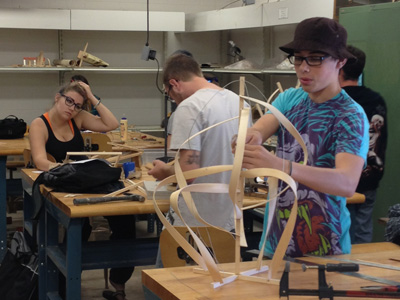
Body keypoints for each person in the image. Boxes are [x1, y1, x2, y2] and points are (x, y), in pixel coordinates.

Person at [238, 17, 369, 258]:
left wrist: (281, 166)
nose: (304, 68)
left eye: (316, 58)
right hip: (275, 242)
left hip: (326, 247)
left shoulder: (350, 116)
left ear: (340, 61)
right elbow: (261, 128)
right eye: (298, 58)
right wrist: (250, 138)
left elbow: (346, 183)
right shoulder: (290, 99)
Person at [29, 81, 133, 300]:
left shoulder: (77, 118)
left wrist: (92, 97)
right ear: (57, 97)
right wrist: (65, 167)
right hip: (63, 184)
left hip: (82, 180)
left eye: (77, 105)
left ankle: (118, 280)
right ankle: (66, 283)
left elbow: (111, 124)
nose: (72, 108)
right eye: (69, 101)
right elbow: (39, 160)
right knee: (80, 227)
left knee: (125, 220)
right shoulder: (40, 124)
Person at [148, 53, 251, 234]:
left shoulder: (190, 106)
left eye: (170, 94)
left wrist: (165, 172)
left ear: (174, 84)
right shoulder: (240, 102)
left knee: (171, 262)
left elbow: (190, 174)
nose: (173, 100)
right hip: (230, 217)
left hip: (194, 219)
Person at [339, 45, 388, 244]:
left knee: (342, 229)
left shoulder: (339, 101)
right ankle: (361, 270)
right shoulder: (377, 100)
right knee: (362, 230)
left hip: (342, 179)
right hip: (371, 176)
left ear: (339, 67)